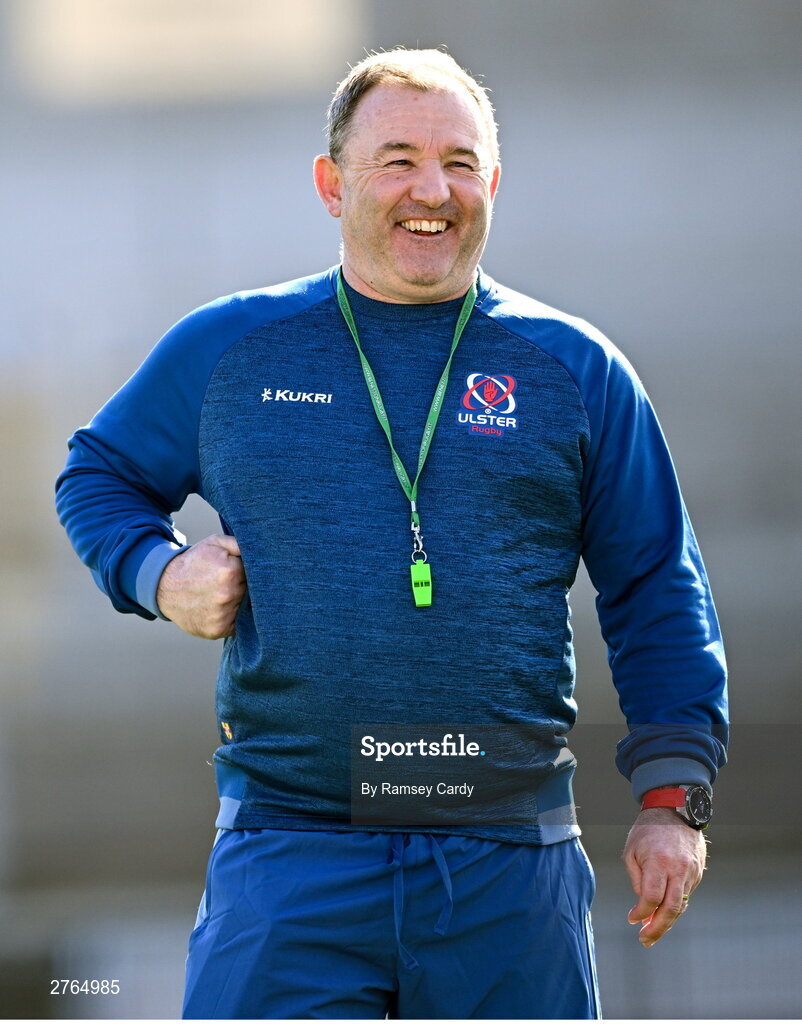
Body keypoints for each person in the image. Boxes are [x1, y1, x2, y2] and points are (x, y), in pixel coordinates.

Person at [56, 47, 728, 1020]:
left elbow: (658, 585)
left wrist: (674, 800)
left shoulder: (575, 368)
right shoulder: (231, 349)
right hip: (292, 855)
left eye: (460, 163)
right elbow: (98, 473)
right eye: (398, 158)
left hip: (509, 862)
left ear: (491, 183)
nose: (432, 189)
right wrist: (156, 572)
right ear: (332, 185)